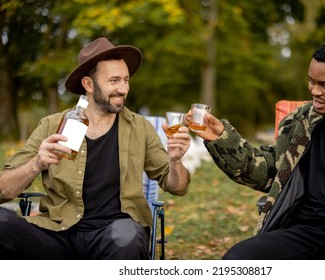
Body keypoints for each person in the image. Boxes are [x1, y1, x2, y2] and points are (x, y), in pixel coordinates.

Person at [188, 39, 325, 260]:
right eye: (311, 81)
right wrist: (220, 138)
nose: (314, 91)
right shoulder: (300, 120)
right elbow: (270, 172)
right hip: (306, 232)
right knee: (238, 259)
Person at [0, 37, 191, 259]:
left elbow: (177, 187)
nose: (123, 89)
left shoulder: (141, 128)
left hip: (113, 236)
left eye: (126, 80)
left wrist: (175, 161)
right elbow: (3, 190)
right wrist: (36, 163)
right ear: (88, 85)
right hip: (57, 235)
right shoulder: (52, 125)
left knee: (127, 235)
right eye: (114, 80)